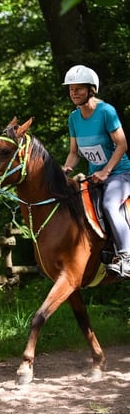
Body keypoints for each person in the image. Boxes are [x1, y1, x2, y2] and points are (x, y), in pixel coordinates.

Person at [61, 64, 130, 278]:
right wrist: (65, 169)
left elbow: (122, 145)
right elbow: (74, 152)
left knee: (110, 205)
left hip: (120, 174)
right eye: (71, 89)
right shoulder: (74, 118)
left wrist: (107, 171)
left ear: (92, 89)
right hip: (94, 178)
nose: (74, 93)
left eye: (78, 89)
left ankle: (127, 257)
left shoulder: (106, 112)